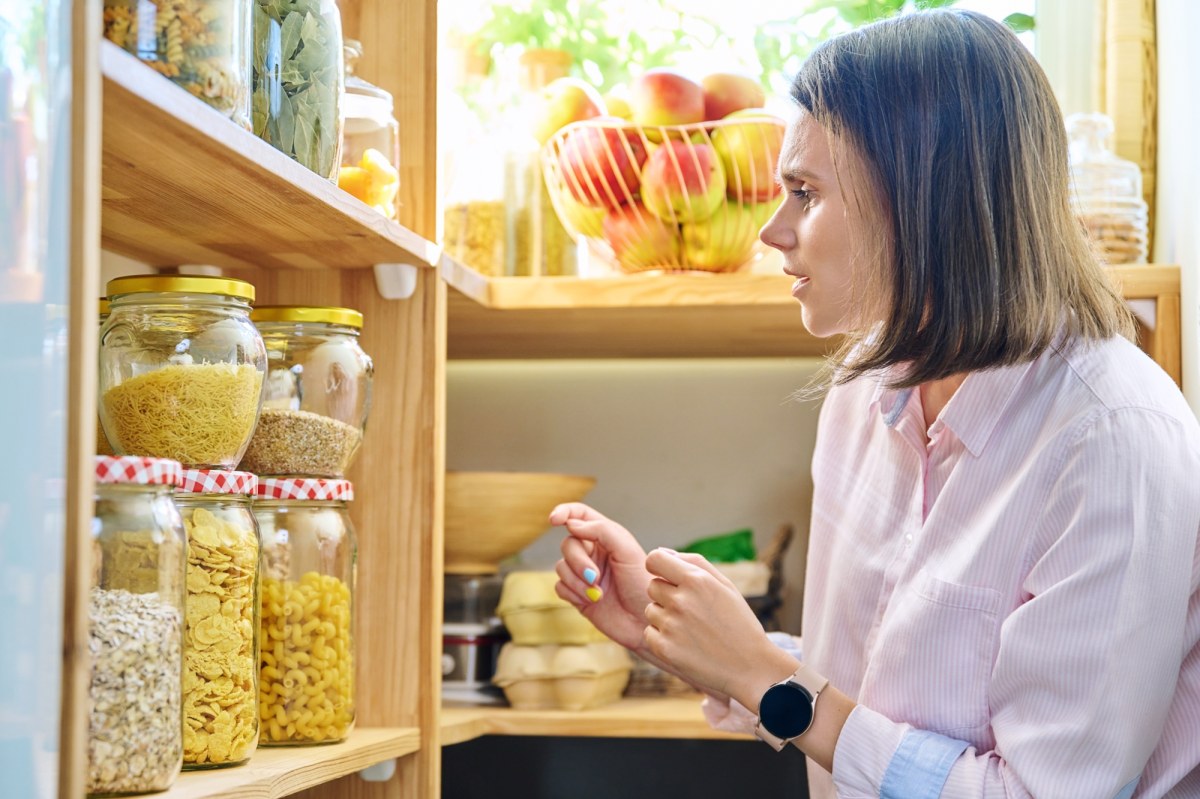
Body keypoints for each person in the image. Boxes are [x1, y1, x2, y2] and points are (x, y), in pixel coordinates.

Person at [550, 9, 1200, 799]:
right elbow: (868, 697)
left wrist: (763, 678)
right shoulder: (866, 392)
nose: (771, 231)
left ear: (924, 201)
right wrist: (685, 631)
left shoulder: (1113, 439)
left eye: (805, 192)